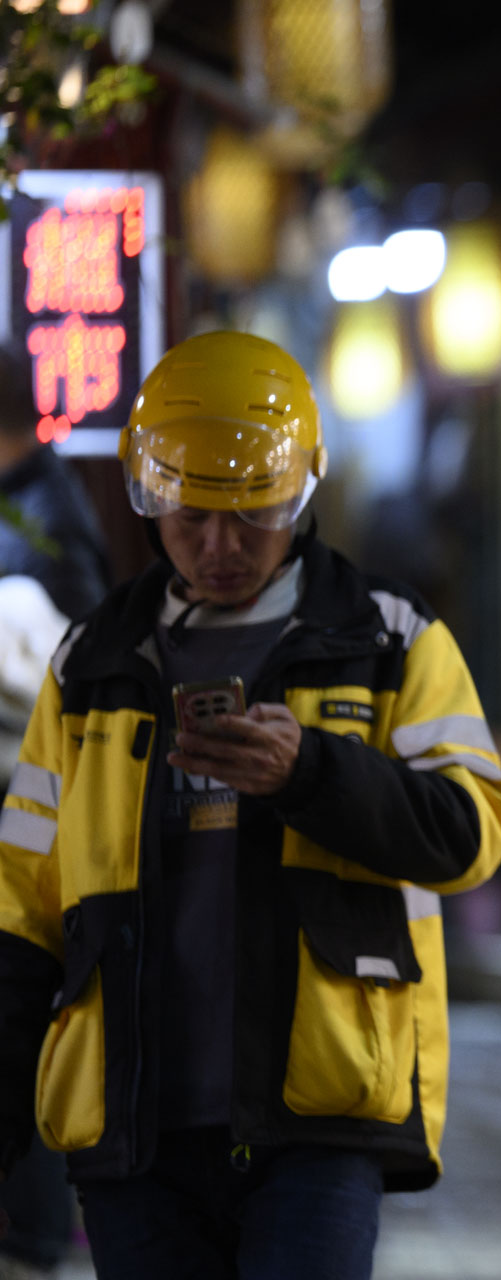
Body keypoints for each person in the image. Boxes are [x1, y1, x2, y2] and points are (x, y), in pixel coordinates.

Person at [0, 331, 501, 1280]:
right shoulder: (92, 661)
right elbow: (21, 910)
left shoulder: (387, 639)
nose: (220, 545)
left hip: (319, 1118)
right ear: (147, 496)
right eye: (191, 515)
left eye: (256, 514)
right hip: (133, 1125)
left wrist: (312, 773)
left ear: (306, 490)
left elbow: (473, 829)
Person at [0, 343, 111, 1276]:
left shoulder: (45, 517)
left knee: (28, 1006)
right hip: (28, 811)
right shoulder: (44, 503)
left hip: (28, 814)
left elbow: (80, 668)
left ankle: (35, 1230)